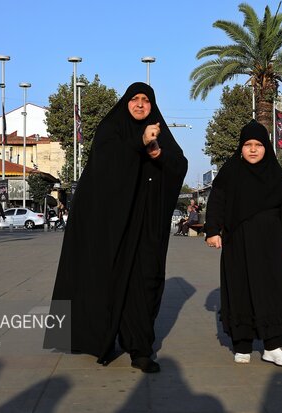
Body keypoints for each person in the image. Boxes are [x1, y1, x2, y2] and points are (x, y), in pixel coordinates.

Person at [44, 82, 187, 373]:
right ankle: (97, 339)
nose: (139, 104)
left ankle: (141, 349)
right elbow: (105, 165)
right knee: (102, 280)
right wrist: (139, 143)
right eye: (134, 99)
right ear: (126, 103)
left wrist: (157, 153)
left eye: (146, 100)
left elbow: (179, 164)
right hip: (109, 226)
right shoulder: (111, 129)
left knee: (145, 283)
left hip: (146, 226)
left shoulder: (159, 132)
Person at [205, 120, 282, 366]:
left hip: (272, 242)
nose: (252, 149)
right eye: (247, 144)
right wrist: (212, 231)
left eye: (258, 145)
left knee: (274, 289)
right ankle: (243, 344)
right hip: (238, 240)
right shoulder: (230, 171)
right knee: (241, 287)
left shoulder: (275, 175)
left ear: (266, 147)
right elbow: (216, 201)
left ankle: (272, 346)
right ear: (241, 147)